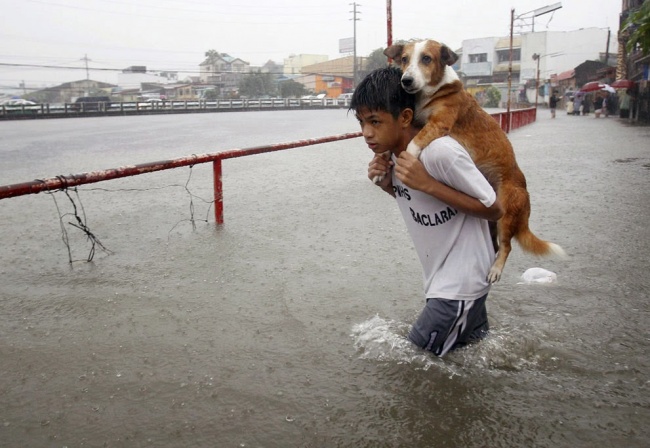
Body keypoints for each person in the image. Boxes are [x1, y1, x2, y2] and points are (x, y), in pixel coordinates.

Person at [350, 67, 504, 357]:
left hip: (459, 284)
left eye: (375, 121)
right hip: (447, 280)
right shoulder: (394, 157)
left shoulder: (440, 152)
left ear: (405, 116)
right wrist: (386, 185)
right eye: (361, 122)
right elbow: (419, 200)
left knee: (414, 364)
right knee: (473, 361)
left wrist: (428, 183)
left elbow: (494, 208)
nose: (367, 133)